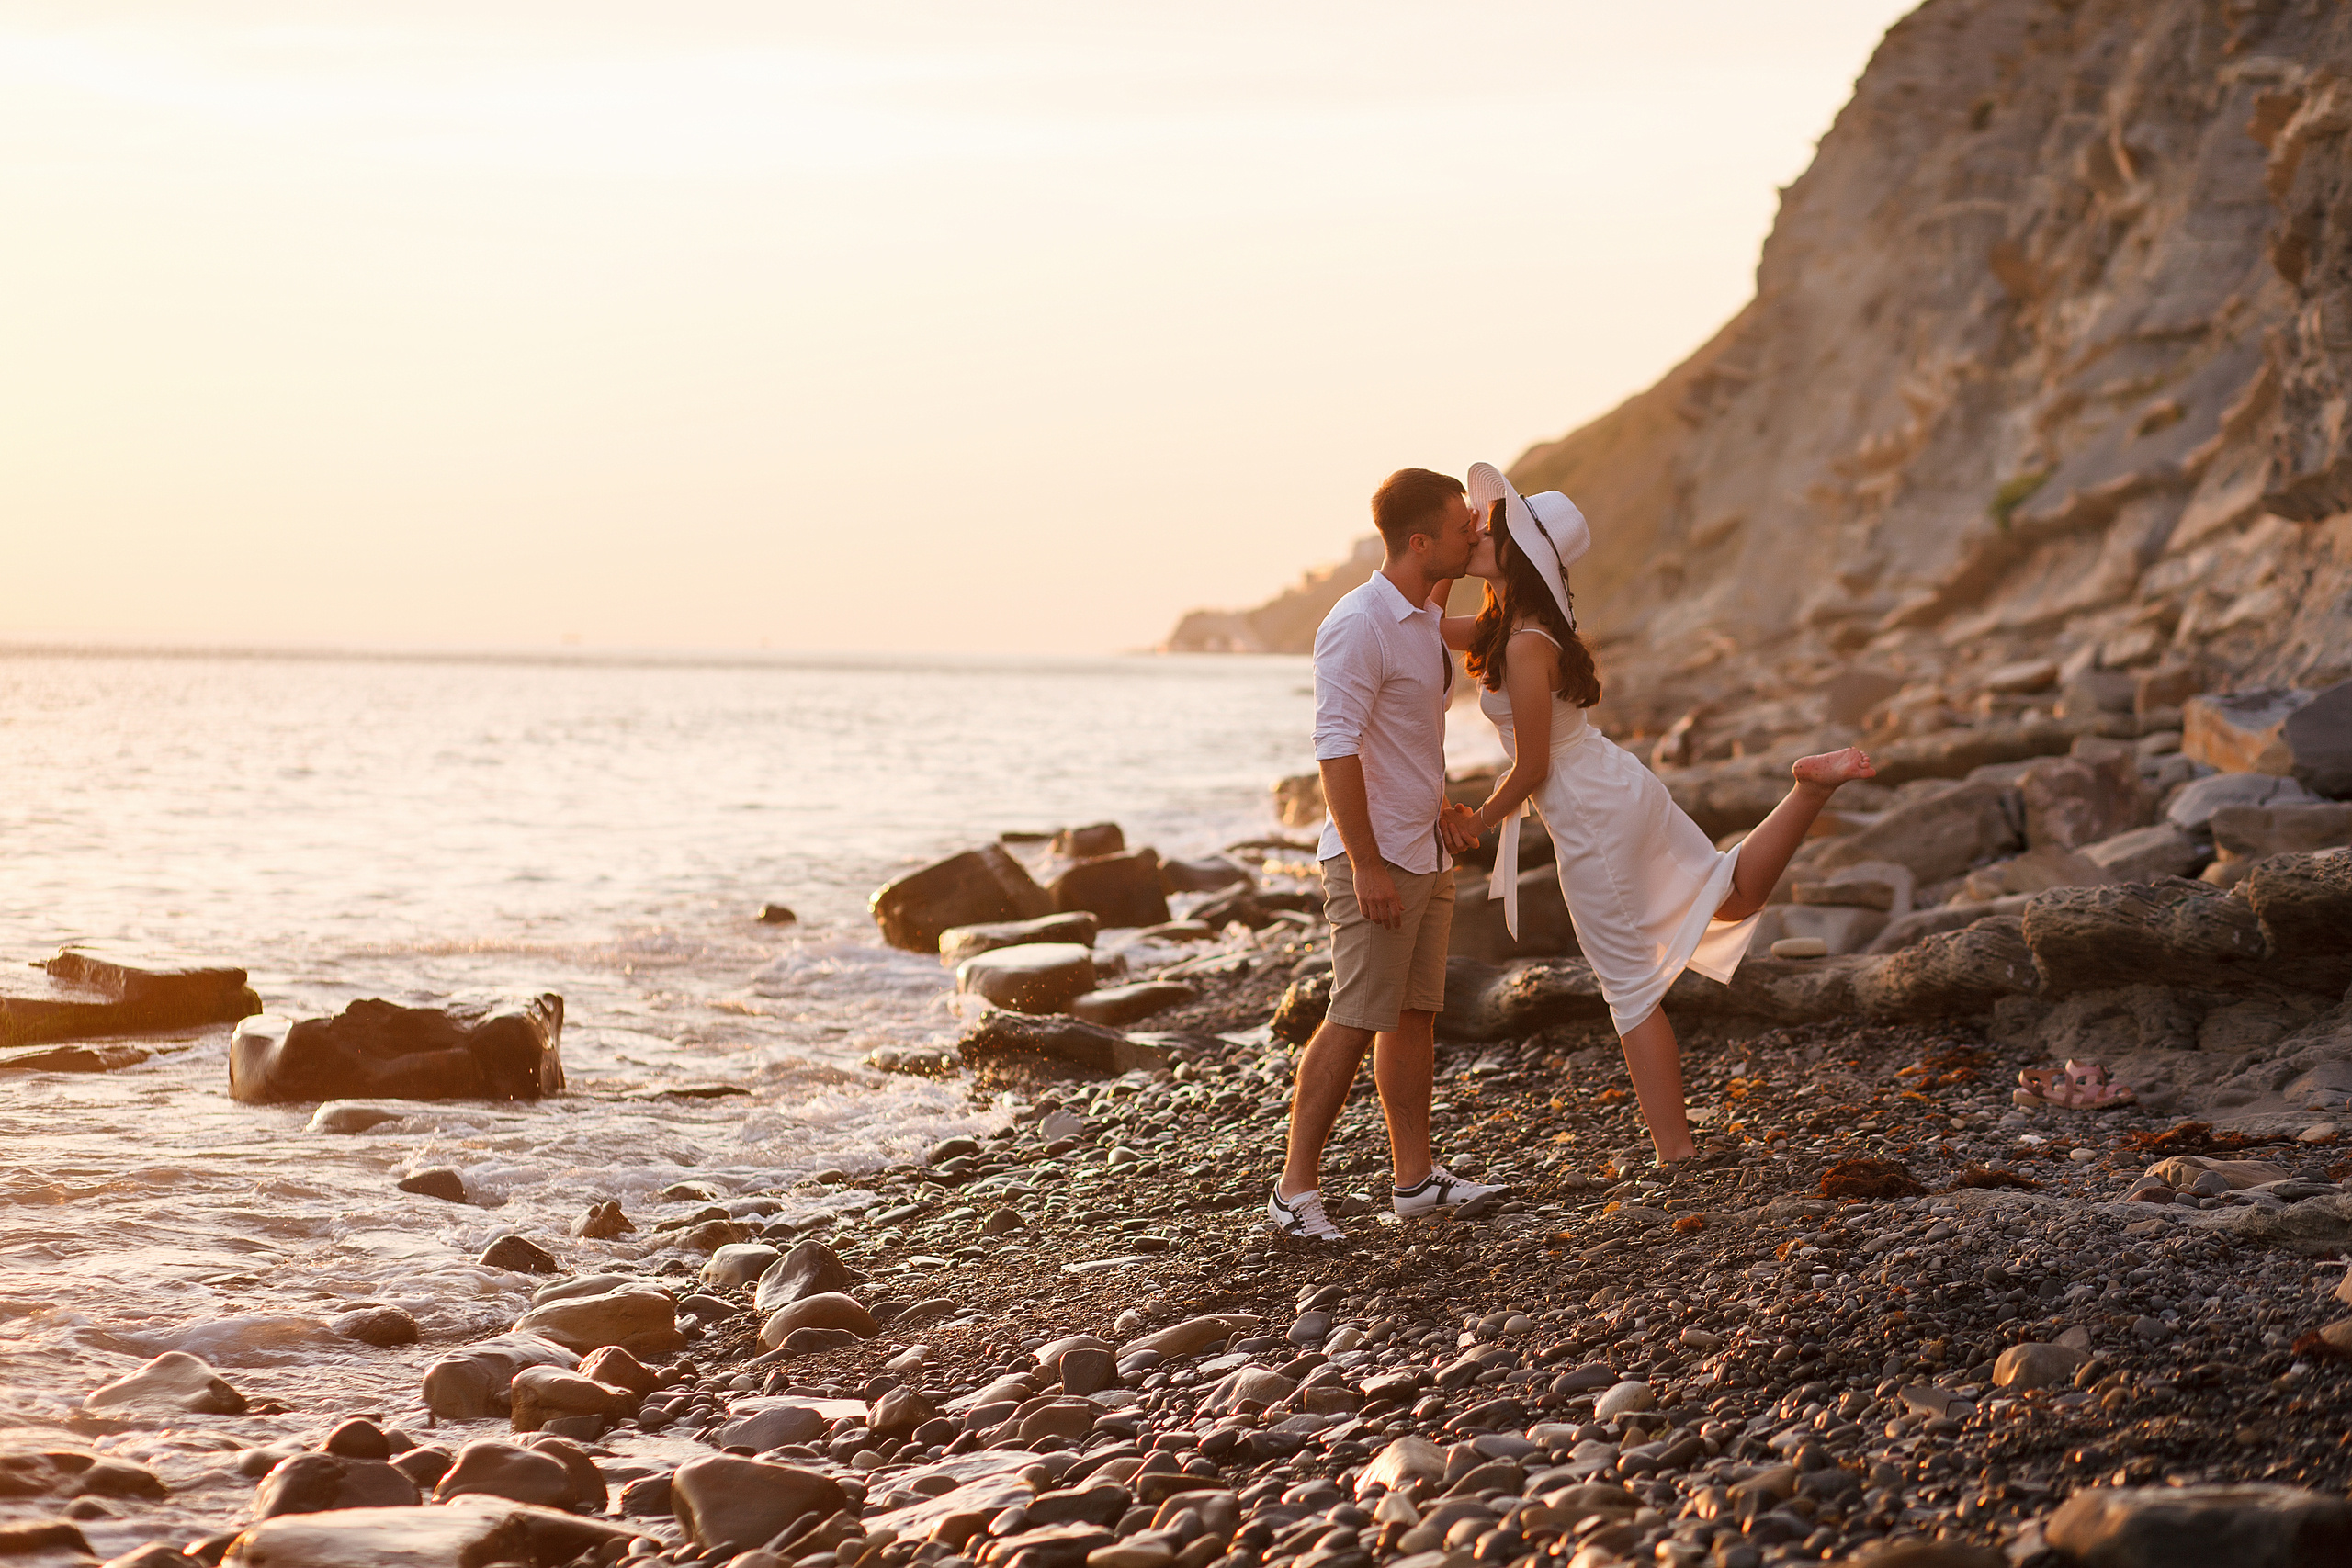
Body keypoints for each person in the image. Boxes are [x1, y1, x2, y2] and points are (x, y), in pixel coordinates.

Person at [1439, 462, 1876, 1167]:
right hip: (1616, 785)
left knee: (1629, 991)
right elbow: (1427, 625)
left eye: (1491, 529)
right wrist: (1454, 558)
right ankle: (1809, 790)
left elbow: (1533, 766)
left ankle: (1675, 1152)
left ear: (1516, 552)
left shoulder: (1521, 643)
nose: (1479, 533)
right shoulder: (1515, 624)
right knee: (1727, 895)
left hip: (1592, 812)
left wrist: (1476, 823)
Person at [1268, 468, 1507, 1244]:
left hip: (1425, 851)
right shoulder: (1358, 623)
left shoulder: (1421, 617)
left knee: (1413, 1018)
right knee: (1351, 1015)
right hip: (1374, 859)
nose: (1472, 537)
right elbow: (1334, 750)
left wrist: (1439, 808)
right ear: (1418, 542)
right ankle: (1292, 1190)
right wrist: (1366, 864)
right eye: (1460, 528)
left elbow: (1408, 737)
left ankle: (1414, 1180)